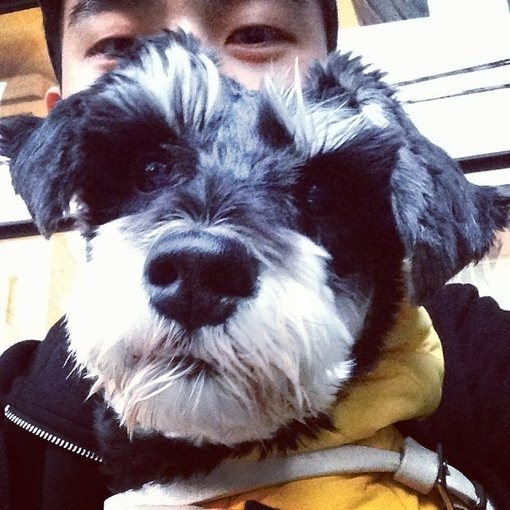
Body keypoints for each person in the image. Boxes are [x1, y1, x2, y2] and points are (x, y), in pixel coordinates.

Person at [0, 1, 509, 509]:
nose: (211, 63)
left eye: (256, 32)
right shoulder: (13, 423)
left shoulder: (480, 358)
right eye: (119, 45)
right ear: (64, 122)